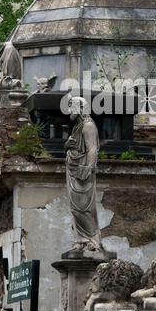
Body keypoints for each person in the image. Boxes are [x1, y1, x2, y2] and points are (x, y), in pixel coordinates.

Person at [65, 95, 102, 252]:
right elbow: (75, 145)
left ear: (80, 107)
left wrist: (87, 168)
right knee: (74, 208)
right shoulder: (78, 126)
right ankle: (80, 239)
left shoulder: (88, 126)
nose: (69, 110)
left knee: (83, 207)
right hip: (74, 169)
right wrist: (66, 145)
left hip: (82, 171)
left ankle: (92, 240)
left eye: (71, 106)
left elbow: (92, 148)